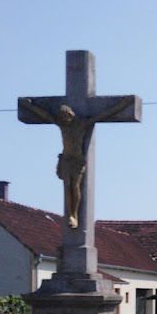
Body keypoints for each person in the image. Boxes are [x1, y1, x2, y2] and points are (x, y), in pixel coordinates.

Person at [21, 97, 133, 228]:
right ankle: (71, 215)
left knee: (75, 186)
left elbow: (103, 114)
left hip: (77, 161)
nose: (63, 119)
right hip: (66, 160)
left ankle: (74, 214)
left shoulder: (82, 124)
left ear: (70, 114)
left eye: (65, 116)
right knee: (67, 186)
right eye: (61, 117)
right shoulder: (62, 126)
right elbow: (45, 115)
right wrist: (29, 107)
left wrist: (122, 105)